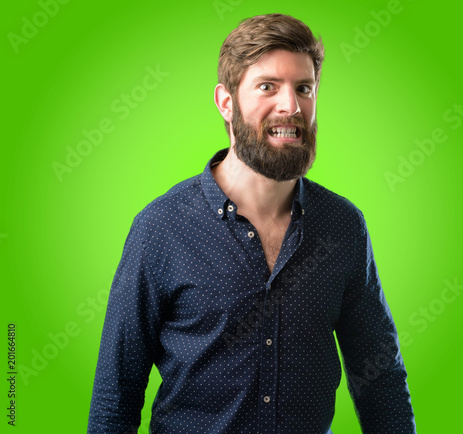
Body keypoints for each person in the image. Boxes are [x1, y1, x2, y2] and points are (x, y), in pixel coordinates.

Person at [87, 13, 416, 434]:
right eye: (268, 87)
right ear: (226, 102)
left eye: (304, 88)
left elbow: (382, 383)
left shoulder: (343, 225)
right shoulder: (161, 227)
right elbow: (117, 393)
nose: (291, 106)